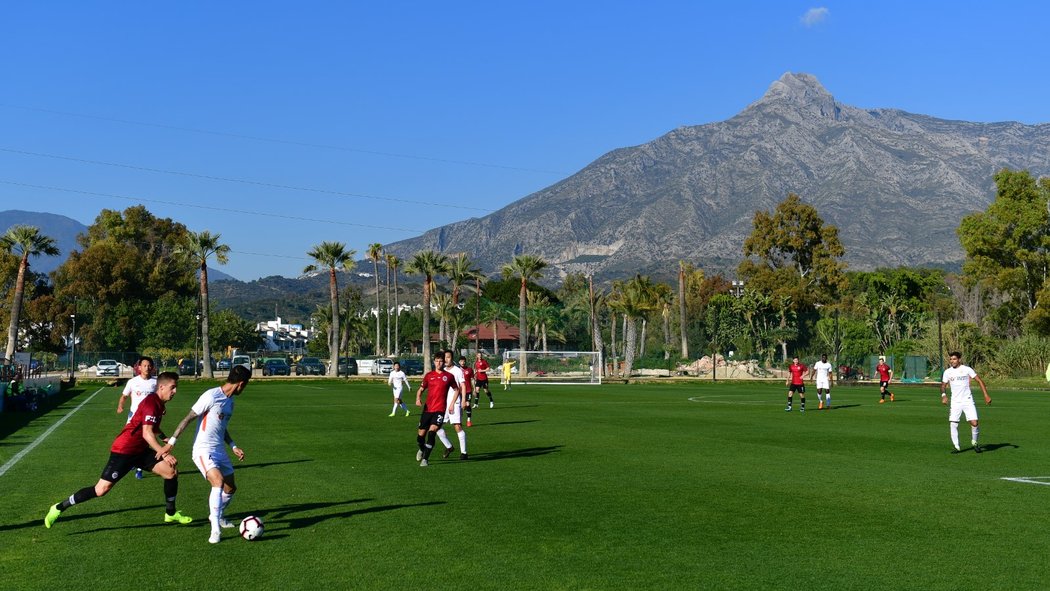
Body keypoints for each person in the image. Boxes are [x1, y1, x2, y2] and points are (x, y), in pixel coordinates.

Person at [44, 372, 192, 528]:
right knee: (101, 490)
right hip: (124, 450)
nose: (175, 391)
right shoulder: (151, 403)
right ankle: (59, 507)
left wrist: (162, 436)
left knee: (170, 472)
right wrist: (164, 452)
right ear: (161, 387)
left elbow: (150, 427)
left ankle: (170, 514)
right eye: (172, 387)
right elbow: (146, 433)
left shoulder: (158, 403)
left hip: (139, 450)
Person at [163, 365, 251, 544]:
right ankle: (215, 531)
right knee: (217, 482)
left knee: (230, 488)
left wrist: (233, 446)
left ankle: (216, 516)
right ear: (241, 384)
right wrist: (172, 442)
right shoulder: (211, 396)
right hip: (203, 450)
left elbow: (222, 429)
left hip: (220, 450)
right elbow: (188, 418)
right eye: (246, 385)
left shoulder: (230, 402)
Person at [941, 351, 992, 453]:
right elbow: (943, 385)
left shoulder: (967, 369)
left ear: (959, 359)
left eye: (954, 359)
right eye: (951, 359)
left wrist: (986, 395)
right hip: (955, 402)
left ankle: (974, 442)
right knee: (953, 423)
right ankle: (956, 446)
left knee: (974, 422)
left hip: (967, 400)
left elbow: (979, 381)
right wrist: (944, 395)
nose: (952, 361)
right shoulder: (947, 372)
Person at [414, 352, 456, 467]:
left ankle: (425, 460)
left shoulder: (449, 376)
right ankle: (422, 449)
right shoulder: (429, 375)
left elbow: (456, 389)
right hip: (427, 409)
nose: (439, 363)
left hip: (440, 410)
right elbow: (421, 389)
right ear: (434, 362)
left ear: (444, 362)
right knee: (420, 437)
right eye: (437, 361)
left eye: (441, 361)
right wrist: (418, 398)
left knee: (432, 433)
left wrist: (452, 403)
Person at [118, 356, 156, 479]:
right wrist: (120, 406)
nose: (147, 368)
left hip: (148, 418)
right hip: (133, 418)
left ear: (152, 367)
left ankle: (139, 469)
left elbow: (159, 400)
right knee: (128, 441)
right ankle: (131, 461)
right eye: (144, 365)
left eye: (149, 366)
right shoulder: (133, 382)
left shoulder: (155, 383)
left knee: (145, 442)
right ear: (139, 367)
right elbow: (124, 396)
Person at [434, 350, 468, 460]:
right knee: (437, 427)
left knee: (457, 426)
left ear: (452, 358)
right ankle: (449, 446)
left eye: (448, 357)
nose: (446, 359)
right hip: (442, 403)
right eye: (445, 357)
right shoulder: (442, 370)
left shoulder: (457, 371)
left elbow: (462, 386)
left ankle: (464, 453)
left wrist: (463, 400)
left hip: (455, 402)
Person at [460, 356, 476, 427]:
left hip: (468, 390)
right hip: (459, 391)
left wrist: (474, 389)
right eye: (461, 361)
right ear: (459, 362)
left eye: (464, 361)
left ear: (465, 362)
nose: (462, 362)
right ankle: (459, 420)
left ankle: (468, 420)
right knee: (461, 406)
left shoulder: (469, 369)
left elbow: (472, 379)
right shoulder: (457, 370)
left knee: (467, 404)